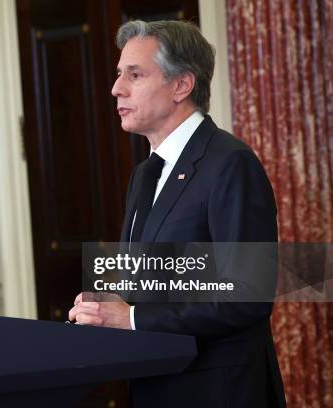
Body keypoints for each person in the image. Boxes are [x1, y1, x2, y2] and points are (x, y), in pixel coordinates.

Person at [68, 20, 286, 407]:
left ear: (181, 85)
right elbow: (150, 282)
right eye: (119, 75)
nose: (116, 88)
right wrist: (102, 308)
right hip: (155, 385)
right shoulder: (144, 174)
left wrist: (131, 318)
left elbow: (246, 296)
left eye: (134, 75)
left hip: (217, 392)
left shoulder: (229, 163)